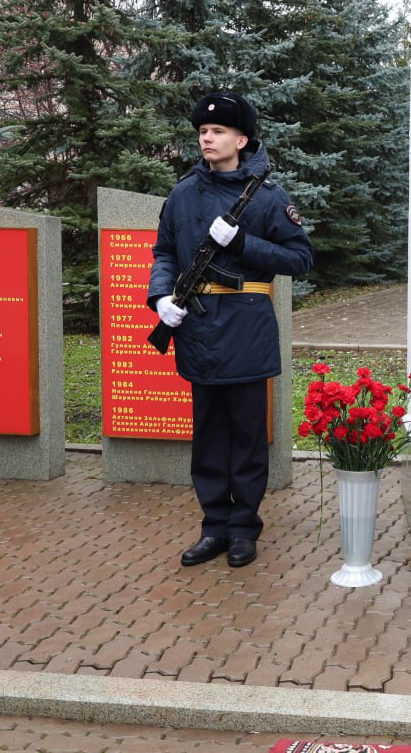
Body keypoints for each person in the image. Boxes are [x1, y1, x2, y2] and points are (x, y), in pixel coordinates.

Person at [148, 91, 313, 568]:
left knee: (245, 437)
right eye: (202, 131)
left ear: (241, 139)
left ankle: (244, 528)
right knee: (208, 438)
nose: (207, 138)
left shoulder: (266, 196)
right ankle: (213, 527)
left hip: (245, 328)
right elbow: (164, 253)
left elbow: (300, 258)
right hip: (197, 326)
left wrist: (244, 241)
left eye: (218, 131)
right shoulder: (182, 194)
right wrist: (161, 298)